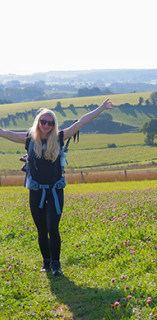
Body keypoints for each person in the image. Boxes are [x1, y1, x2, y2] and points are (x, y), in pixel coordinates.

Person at [0, 98, 114, 276]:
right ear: (38, 122)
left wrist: (102, 108)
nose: (46, 125)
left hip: (55, 191)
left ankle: (56, 264)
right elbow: (3, 132)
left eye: (49, 123)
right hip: (36, 191)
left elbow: (83, 120)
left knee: (53, 227)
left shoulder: (60, 137)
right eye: (42, 122)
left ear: (54, 125)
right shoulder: (29, 139)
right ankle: (46, 263)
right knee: (41, 229)